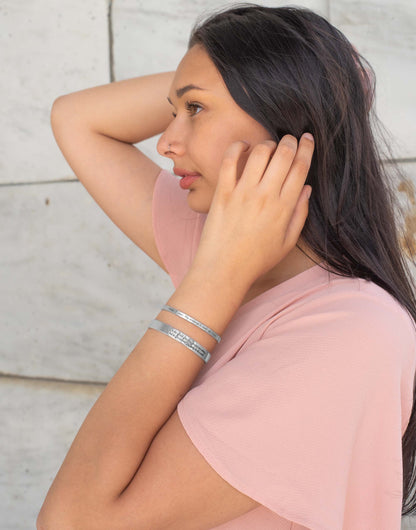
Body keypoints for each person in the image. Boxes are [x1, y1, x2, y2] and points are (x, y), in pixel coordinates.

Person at [37, 4, 416, 529]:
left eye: (193, 110)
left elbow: (73, 521)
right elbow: (76, 119)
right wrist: (325, 80)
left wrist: (214, 278)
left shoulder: (351, 332)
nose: (166, 140)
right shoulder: (220, 246)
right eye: (173, 111)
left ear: (286, 113)